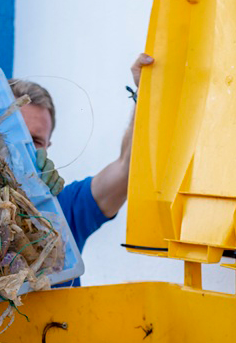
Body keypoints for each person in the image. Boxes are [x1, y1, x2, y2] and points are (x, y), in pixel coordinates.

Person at [10, 53, 152, 249]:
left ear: (47, 147)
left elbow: (127, 170)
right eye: (18, 134)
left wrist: (146, 89)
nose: (25, 147)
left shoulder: (66, 209)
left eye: (36, 140)